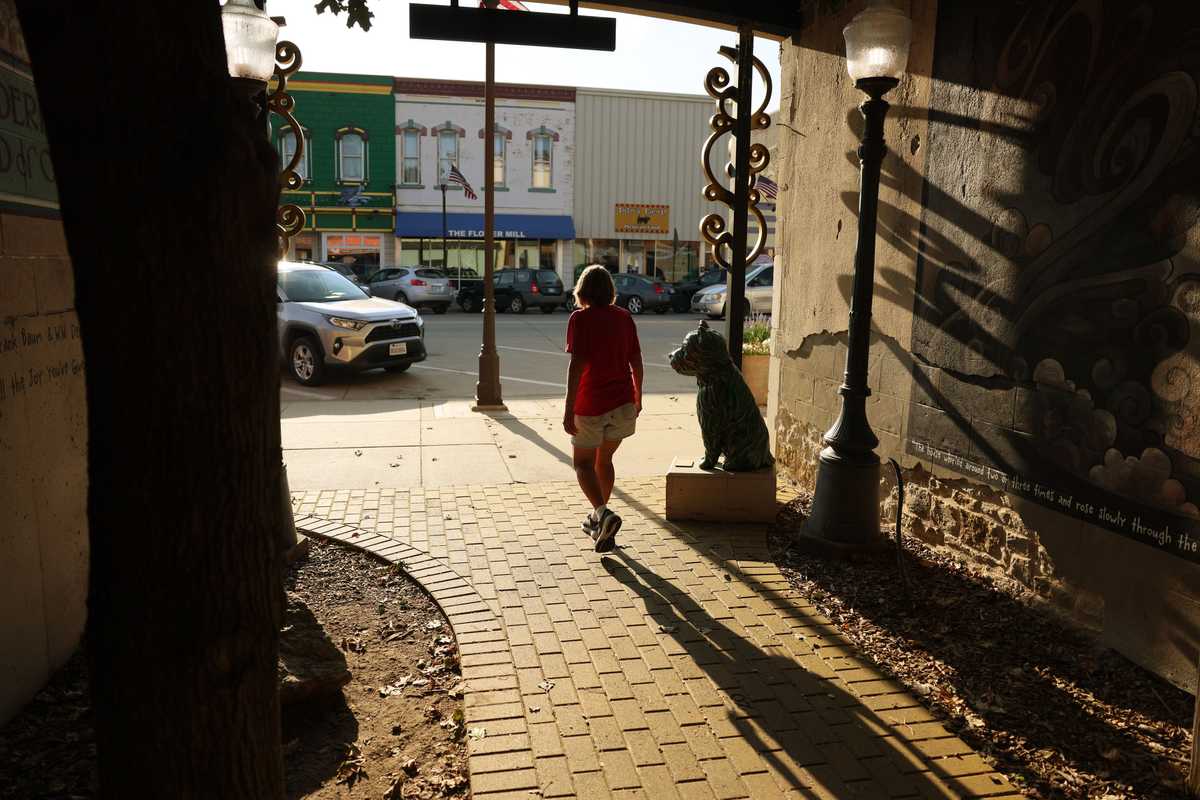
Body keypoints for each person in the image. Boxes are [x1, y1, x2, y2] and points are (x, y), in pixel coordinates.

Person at [563, 265, 644, 552]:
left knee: (583, 464)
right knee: (604, 461)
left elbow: (577, 366)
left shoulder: (580, 319)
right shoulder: (624, 317)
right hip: (622, 402)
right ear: (610, 291)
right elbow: (636, 359)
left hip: (591, 405)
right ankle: (600, 522)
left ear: (582, 291)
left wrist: (569, 406)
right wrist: (638, 395)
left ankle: (603, 514)